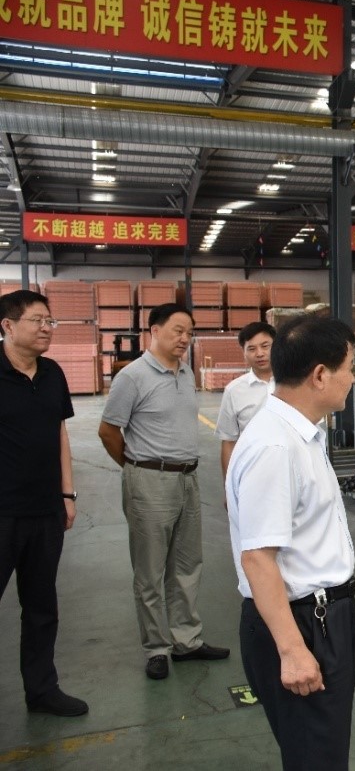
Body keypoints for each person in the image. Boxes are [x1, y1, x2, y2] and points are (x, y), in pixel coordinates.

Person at [226, 315, 355, 769]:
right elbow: (258, 558)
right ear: (320, 374)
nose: (353, 379)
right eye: (349, 368)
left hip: (317, 617)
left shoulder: (300, 433)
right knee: (315, 757)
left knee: (322, 752)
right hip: (300, 623)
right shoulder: (275, 446)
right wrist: (293, 650)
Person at [98, 303, 229, 680]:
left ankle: (186, 640)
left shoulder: (185, 372)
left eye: (189, 332)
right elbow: (108, 431)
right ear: (154, 330)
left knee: (187, 565)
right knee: (150, 570)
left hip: (188, 479)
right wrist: (135, 468)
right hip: (149, 480)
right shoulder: (133, 376)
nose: (185, 338)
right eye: (177, 330)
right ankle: (156, 648)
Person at [0, 290, 88, 717]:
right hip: (2, 513)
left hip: (45, 511)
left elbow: (60, 433)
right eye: (37, 320)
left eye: (50, 321)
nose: (47, 328)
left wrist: (67, 494)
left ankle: (41, 690)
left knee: (41, 607)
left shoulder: (52, 373)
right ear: (7, 325)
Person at [216, 321, 277, 476]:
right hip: (252, 473)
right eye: (251, 348)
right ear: (244, 353)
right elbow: (229, 441)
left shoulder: (295, 382)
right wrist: (228, 484)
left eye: (265, 346)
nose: (259, 353)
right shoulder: (234, 391)